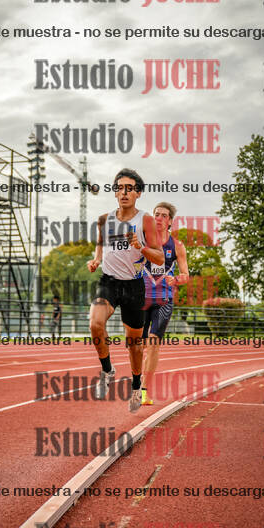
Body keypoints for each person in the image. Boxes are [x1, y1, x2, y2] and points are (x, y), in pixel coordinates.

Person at [87, 169, 164, 413]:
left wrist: (141, 247)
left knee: (135, 345)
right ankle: (107, 369)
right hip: (109, 282)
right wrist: (95, 260)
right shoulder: (104, 220)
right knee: (95, 324)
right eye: (120, 188)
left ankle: (136, 386)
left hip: (134, 285)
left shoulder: (145, 220)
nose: (124, 192)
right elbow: (100, 248)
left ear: (138, 193)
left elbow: (160, 257)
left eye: (130, 188)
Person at [141, 203, 189, 405]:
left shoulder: (177, 246)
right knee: (139, 346)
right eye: (156, 215)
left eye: (163, 215)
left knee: (153, 345)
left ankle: (144, 391)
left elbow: (186, 275)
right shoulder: (142, 240)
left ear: (170, 221)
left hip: (163, 300)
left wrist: (176, 279)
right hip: (141, 299)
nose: (159, 218)